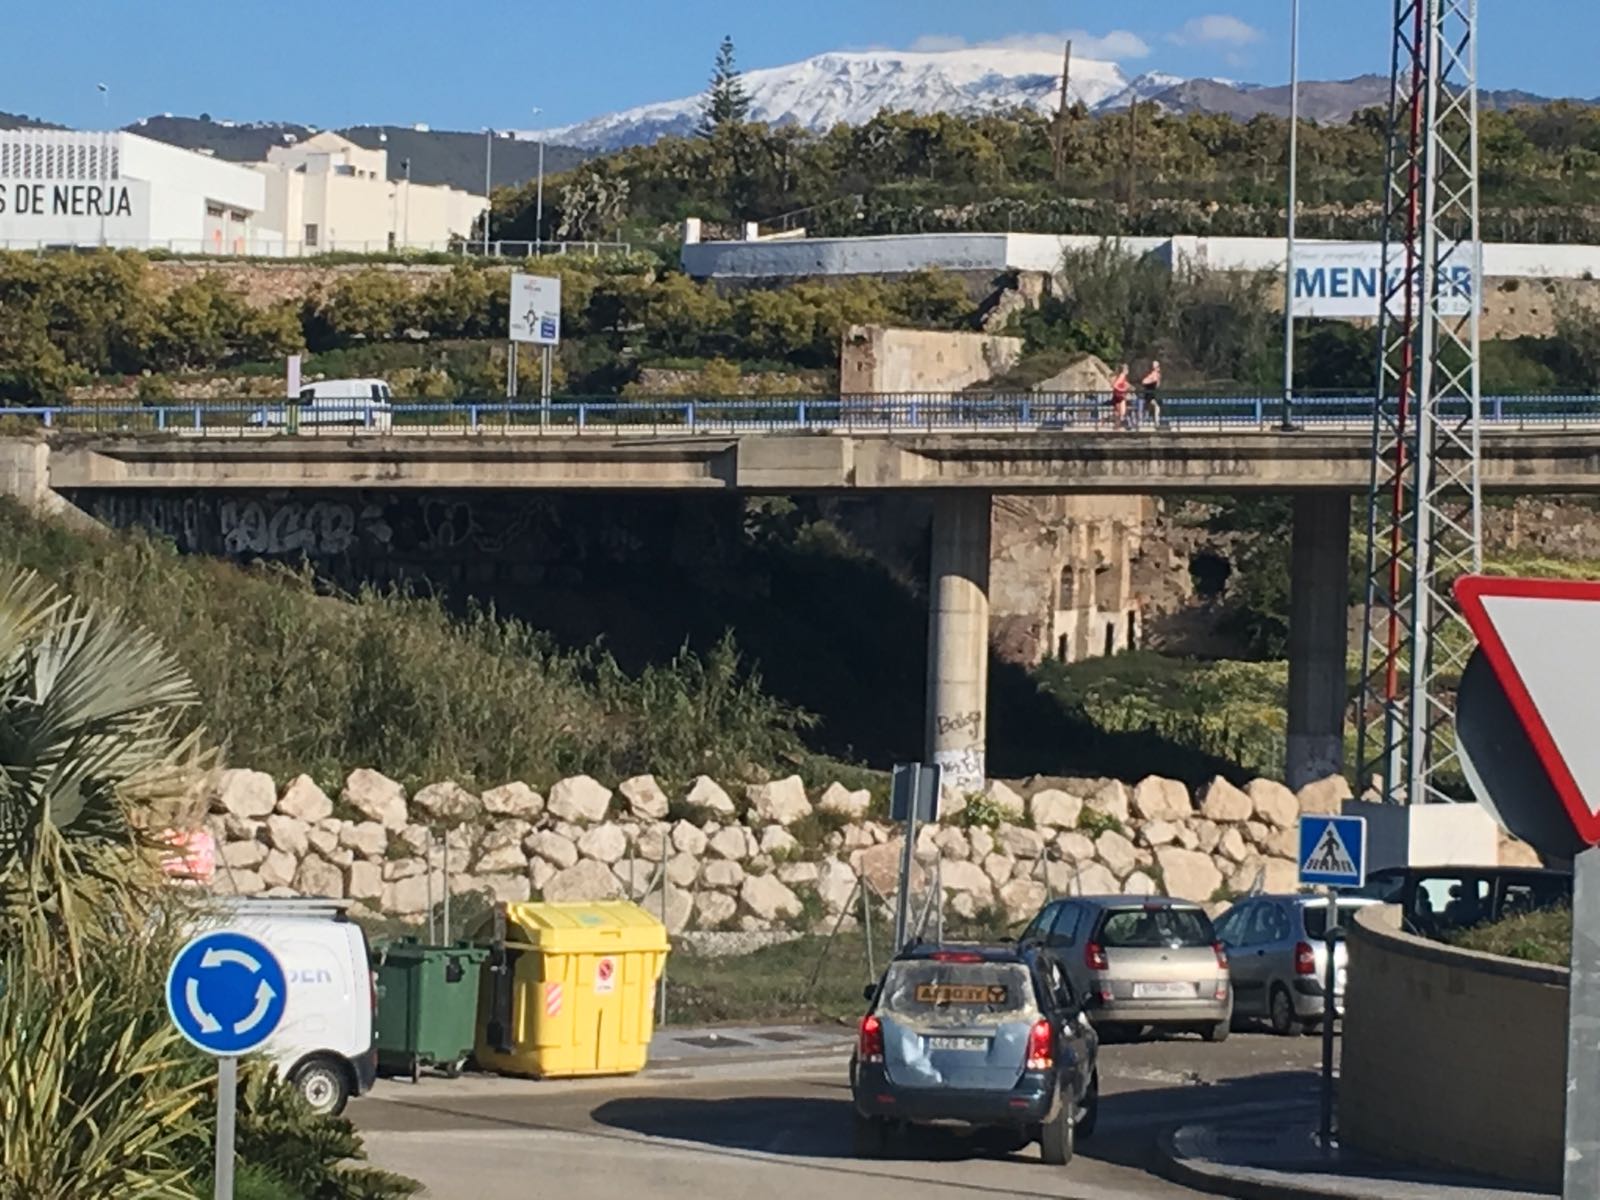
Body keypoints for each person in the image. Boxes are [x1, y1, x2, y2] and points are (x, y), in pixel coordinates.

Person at [1141, 360, 1163, 428]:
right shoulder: (1152, 375)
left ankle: (1144, 421)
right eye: (1156, 367)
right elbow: (1144, 382)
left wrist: (1157, 379)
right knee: (1156, 407)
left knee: (1150, 408)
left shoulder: (1157, 375)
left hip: (1152, 394)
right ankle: (1156, 423)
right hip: (1148, 394)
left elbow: (1157, 385)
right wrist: (1151, 380)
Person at [1109, 363, 1131, 430]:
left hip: (1118, 396)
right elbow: (1115, 385)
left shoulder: (1122, 376)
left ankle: (1117, 427)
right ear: (1124, 370)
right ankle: (1120, 426)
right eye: (1127, 369)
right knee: (1122, 413)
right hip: (1119, 396)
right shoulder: (1122, 376)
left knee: (1118, 413)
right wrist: (1124, 389)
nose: (1128, 371)